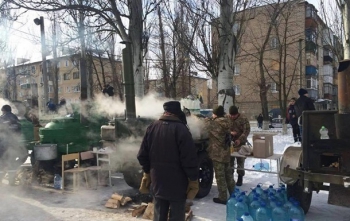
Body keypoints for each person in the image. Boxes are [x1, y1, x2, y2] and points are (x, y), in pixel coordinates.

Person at [137, 101, 199, 221]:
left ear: (165, 112)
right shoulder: (182, 130)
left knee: (159, 215)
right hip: (178, 184)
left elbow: (142, 155)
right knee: (176, 216)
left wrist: (147, 172)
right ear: (177, 113)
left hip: (157, 182)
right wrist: (193, 179)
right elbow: (189, 159)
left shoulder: (152, 127)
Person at [205, 105, 235, 205]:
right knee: (228, 175)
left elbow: (205, 125)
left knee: (220, 176)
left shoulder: (214, 123)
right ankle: (234, 194)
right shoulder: (227, 121)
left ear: (215, 114)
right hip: (226, 152)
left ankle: (222, 198)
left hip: (217, 154)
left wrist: (207, 118)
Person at [228, 106, 250, 186]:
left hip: (241, 143)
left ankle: (240, 177)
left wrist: (239, 140)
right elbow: (225, 128)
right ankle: (230, 178)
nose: (232, 117)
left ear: (237, 114)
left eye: (234, 115)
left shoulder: (243, 119)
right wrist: (230, 133)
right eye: (231, 115)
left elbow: (246, 131)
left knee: (240, 161)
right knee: (230, 161)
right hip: (230, 143)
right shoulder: (227, 118)